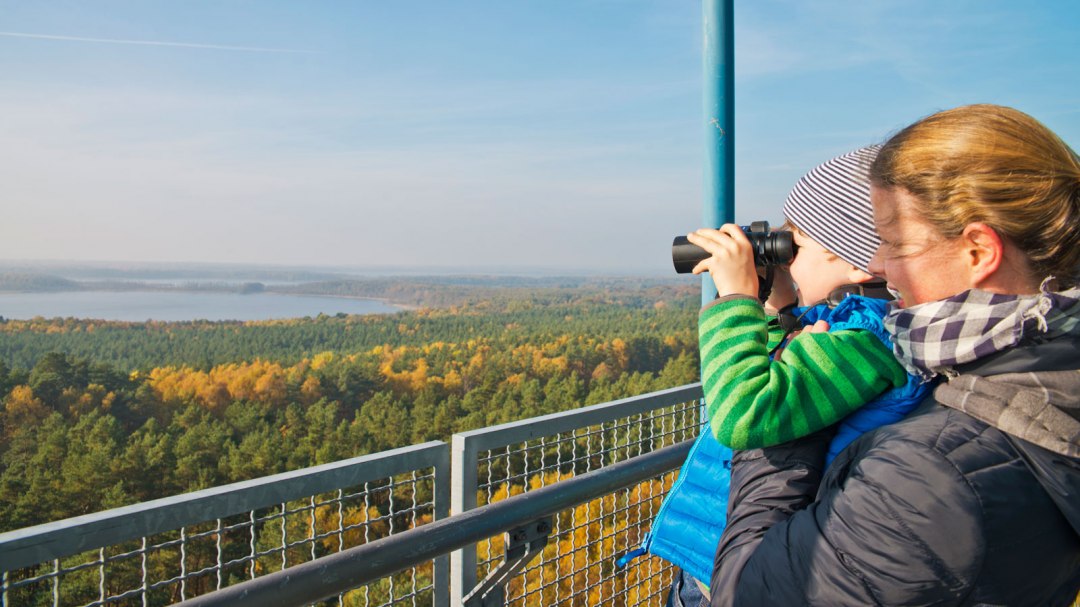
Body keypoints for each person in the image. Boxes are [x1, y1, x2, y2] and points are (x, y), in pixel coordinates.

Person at [709, 104, 1080, 606]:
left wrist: (737, 305)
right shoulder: (1031, 374)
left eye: (893, 243)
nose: (880, 267)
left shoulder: (930, 474)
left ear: (978, 252)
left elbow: (747, 594)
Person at [653, 146, 931, 606]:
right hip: (733, 553)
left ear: (860, 264)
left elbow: (743, 415)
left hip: (751, 571)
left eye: (796, 246)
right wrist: (776, 309)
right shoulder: (845, 327)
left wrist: (734, 299)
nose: (784, 257)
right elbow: (776, 379)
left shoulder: (864, 339)